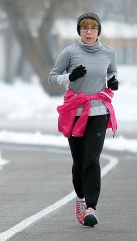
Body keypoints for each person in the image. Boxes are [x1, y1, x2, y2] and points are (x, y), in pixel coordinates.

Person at [48, 12, 118, 227]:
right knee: (79, 162)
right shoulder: (70, 52)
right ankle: (80, 198)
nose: (89, 32)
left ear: (98, 31)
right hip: (76, 113)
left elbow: (112, 74)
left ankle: (91, 207)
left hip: (98, 112)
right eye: (85, 28)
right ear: (79, 31)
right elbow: (52, 77)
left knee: (91, 160)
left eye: (93, 28)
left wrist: (113, 83)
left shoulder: (109, 53)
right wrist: (70, 77)